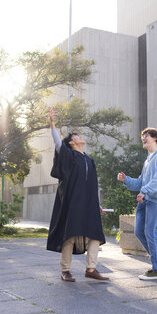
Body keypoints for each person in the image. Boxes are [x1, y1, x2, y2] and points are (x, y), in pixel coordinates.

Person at [46, 108, 109, 282]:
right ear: (72, 143)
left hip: (89, 204)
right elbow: (58, 143)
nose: (80, 137)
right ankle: (65, 270)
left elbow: (92, 185)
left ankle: (91, 269)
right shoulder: (69, 155)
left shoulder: (89, 160)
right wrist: (52, 124)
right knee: (70, 236)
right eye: (77, 136)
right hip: (72, 203)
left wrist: (96, 203)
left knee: (95, 235)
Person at [117, 128, 157, 280]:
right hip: (145, 200)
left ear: (155, 138)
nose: (143, 138)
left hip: (155, 200)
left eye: (146, 136)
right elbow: (140, 183)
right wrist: (126, 180)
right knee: (139, 232)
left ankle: (156, 270)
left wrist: (145, 191)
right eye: (142, 136)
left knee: (150, 232)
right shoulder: (148, 160)